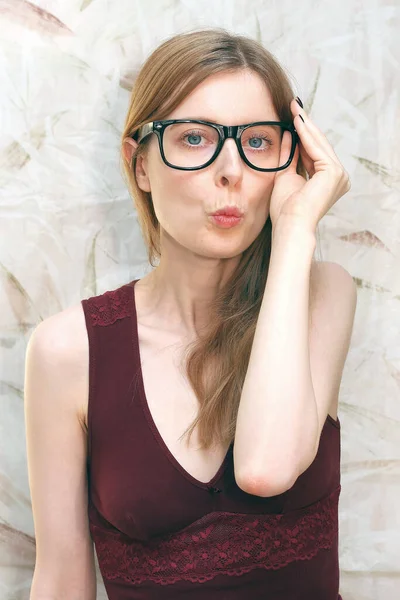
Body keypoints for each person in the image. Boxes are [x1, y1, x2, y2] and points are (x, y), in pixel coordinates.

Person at [24, 28, 356, 599]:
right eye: (196, 138)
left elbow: (265, 467)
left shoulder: (322, 293)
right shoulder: (67, 352)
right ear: (141, 165)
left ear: (290, 157)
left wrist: (297, 229)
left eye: (257, 141)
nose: (231, 171)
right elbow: (60, 579)